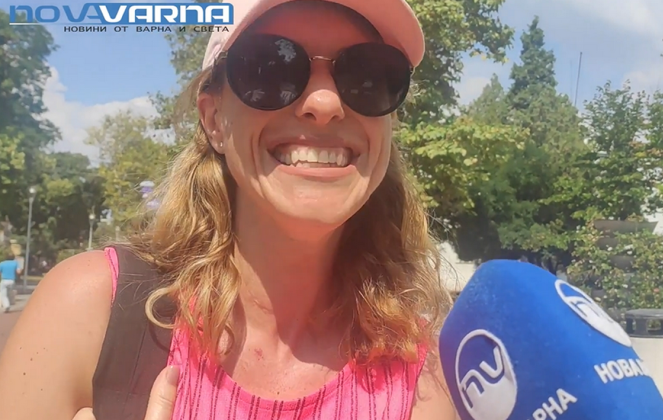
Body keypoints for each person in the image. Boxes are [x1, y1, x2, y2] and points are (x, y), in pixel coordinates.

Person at [0, 0, 458, 419]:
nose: (325, 103)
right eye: (270, 68)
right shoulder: (89, 311)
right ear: (214, 120)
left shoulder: (424, 377)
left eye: (369, 75)